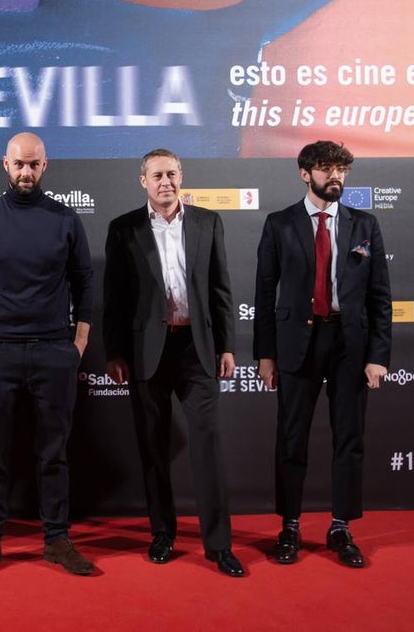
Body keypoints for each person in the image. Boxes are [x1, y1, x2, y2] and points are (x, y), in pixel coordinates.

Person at [0, 132, 95, 578]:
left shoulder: (66, 219)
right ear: (5, 165)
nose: (26, 172)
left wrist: (77, 346)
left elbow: (85, 285)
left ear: (45, 165)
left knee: (53, 453)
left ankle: (57, 540)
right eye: (19, 164)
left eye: (33, 164)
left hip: (54, 352)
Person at [103, 149, 244, 577]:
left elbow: (221, 289)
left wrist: (226, 346)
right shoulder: (123, 228)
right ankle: (162, 533)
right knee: (153, 448)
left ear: (181, 176)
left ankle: (219, 545)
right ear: (142, 180)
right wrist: (114, 353)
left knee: (208, 447)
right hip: (146, 352)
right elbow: (114, 299)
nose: (165, 181)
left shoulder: (207, 222)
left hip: (197, 349)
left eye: (171, 174)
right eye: (156, 175)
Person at [253, 140, 392, 568]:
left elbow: (380, 296)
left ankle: (341, 527)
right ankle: (290, 527)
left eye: (342, 170)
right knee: (291, 439)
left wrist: (378, 355)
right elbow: (264, 294)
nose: (336, 177)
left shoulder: (364, 224)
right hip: (297, 345)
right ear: (305, 173)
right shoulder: (279, 224)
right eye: (327, 169)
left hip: (350, 345)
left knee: (348, 439)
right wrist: (265, 355)